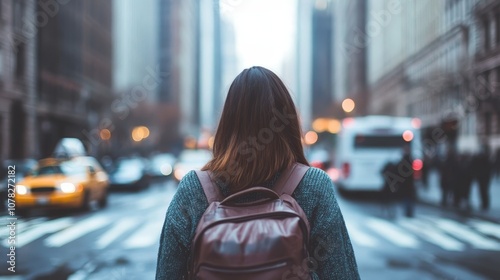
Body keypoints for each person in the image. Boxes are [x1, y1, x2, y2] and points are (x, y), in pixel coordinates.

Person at [155, 66, 359, 279]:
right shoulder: (314, 185)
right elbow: (341, 273)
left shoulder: (194, 189)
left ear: (226, 123)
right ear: (287, 122)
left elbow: (166, 274)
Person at [472, 144, 493, 211]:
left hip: (484, 178)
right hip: (482, 178)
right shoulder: (485, 159)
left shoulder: (485, 160)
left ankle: (485, 204)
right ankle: (484, 204)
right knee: (482, 191)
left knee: (484, 191)